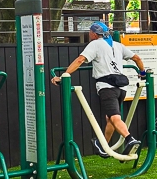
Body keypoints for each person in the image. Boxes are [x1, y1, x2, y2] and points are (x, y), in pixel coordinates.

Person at [52, 21, 146, 156]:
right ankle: (103, 146)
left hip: (107, 88)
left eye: (90, 32)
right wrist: (142, 73)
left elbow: (80, 60)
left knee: (114, 118)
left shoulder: (95, 44)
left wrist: (64, 76)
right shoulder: (118, 45)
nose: (89, 35)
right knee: (110, 119)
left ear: (95, 34)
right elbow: (136, 58)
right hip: (121, 88)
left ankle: (129, 139)